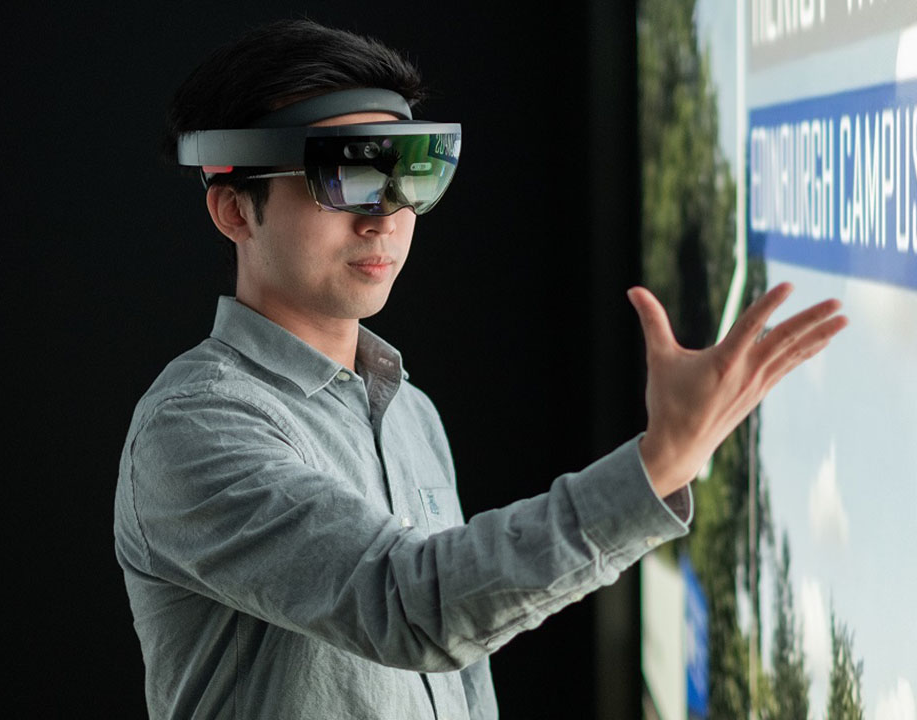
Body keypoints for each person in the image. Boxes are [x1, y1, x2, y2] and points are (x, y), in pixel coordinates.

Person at [113, 18, 848, 720]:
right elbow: (410, 609)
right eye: (346, 176)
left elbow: (459, 684)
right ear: (235, 211)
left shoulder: (409, 413)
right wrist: (656, 466)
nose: (387, 216)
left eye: (411, 172)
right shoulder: (195, 428)